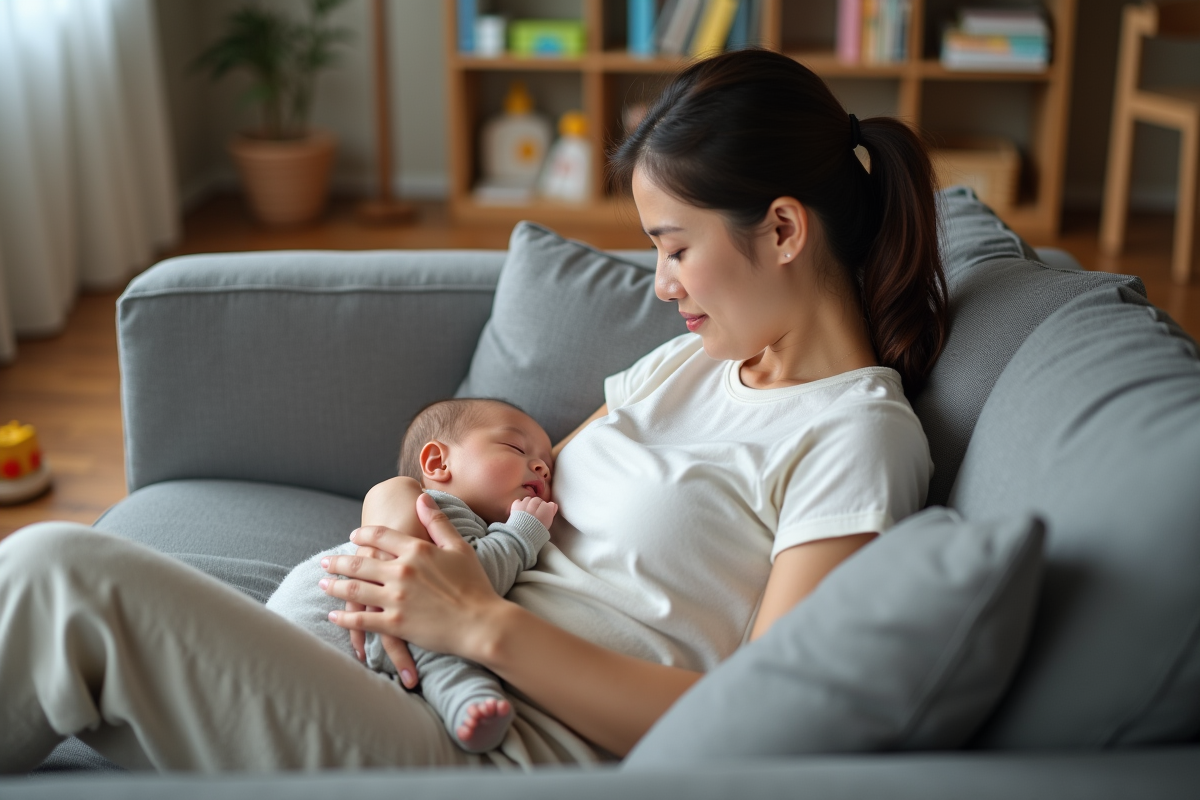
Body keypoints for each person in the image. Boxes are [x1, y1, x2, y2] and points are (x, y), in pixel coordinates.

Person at [0, 48, 947, 772]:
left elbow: (758, 721)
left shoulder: (855, 436)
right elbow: (493, 491)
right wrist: (391, 518)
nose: (660, 285)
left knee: (57, 575)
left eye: (674, 247)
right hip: (404, 662)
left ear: (782, 229)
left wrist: (478, 630)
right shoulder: (690, 365)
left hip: (478, 744)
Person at [265, 397, 558, 753]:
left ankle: (468, 703)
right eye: (515, 447)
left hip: (328, 629)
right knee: (443, 644)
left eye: (548, 465)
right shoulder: (439, 508)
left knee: (440, 638)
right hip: (328, 621)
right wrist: (520, 536)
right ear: (438, 462)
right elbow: (464, 587)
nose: (542, 467)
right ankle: (465, 698)